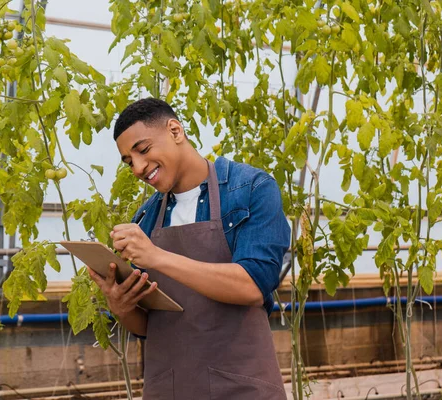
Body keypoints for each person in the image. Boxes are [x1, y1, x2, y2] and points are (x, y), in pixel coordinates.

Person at [87, 97, 291, 400]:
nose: (139, 168)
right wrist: (121, 306)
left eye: (143, 150)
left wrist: (158, 256)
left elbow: (252, 284)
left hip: (242, 387)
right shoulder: (145, 220)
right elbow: (148, 326)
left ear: (175, 131)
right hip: (169, 388)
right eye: (129, 161)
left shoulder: (251, 189)